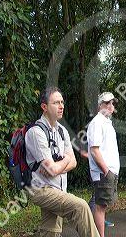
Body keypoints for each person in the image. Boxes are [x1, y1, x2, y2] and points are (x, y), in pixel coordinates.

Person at [25, 86, 99, 237]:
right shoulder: (36, 132)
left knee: (50, 231)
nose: (61, 106)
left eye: (62, 102)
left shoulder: (61, 131)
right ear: (44, 107)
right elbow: (54, 168)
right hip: (41, 189)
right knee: (81, 207)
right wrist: (65, 159)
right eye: (56, 103)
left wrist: (59, 165)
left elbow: (74, 163)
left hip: (57, 187)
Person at [87, 92, 120, 237]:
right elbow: (94, 150)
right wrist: (106, 171)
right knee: (100, 206)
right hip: (103, 172)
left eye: (112, 103)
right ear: (99, 105)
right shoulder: (97, 122)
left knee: (102, 205)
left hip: (109, 171)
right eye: (107, 103)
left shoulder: (107, 122)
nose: (110, 106)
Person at [79, 149, 115, 227]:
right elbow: (83, 153)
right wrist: (96, 159)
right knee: (96, 197)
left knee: (100, 198)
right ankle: (87, 219)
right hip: (97, 170)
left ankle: (99, 220)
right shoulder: (88, 137)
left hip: (103, 169)